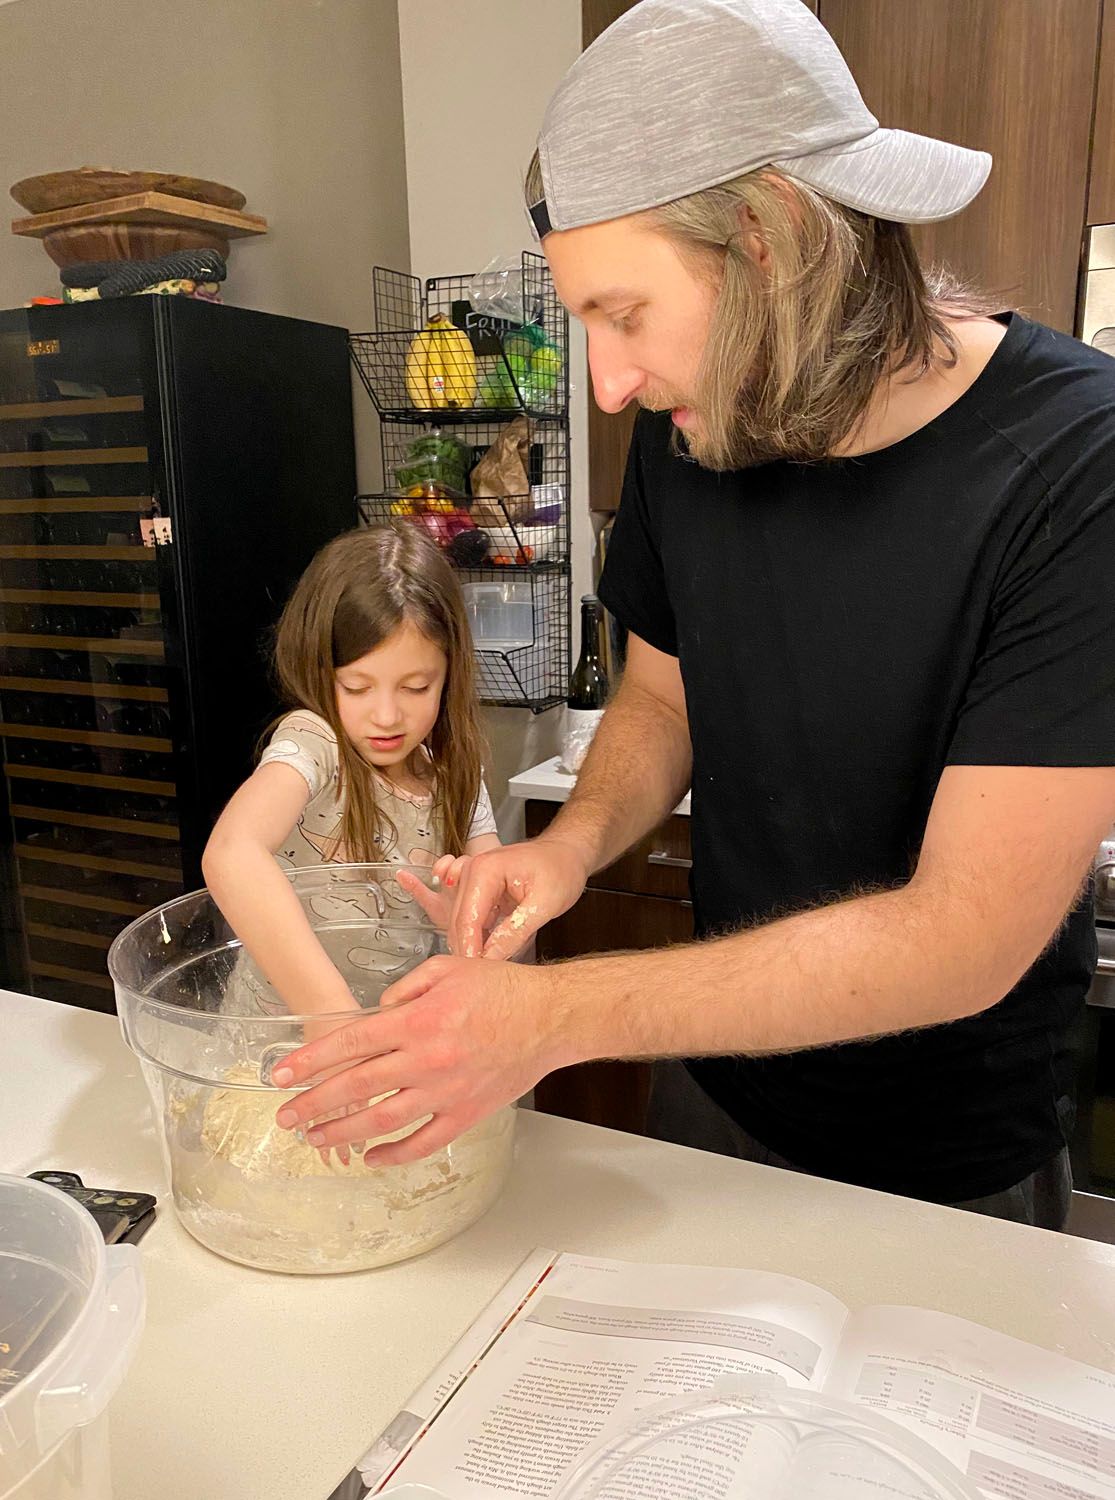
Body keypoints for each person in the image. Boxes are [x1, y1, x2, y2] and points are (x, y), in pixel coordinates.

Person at [266, 0, 1115, 1223]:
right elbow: (661, 700)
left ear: (769, 239)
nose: (607, 385)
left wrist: (549, 1017)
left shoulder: (1077, 463)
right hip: (712, 1098)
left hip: (949, 1157)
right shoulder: (687, 429)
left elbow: (960, 936)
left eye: (622, 314)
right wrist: (563, 850)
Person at [202, 522, 500, 1048]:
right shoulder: (315, 746)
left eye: (416, 686)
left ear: (449, 673)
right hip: (275, 1049)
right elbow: (232, 852)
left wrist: (472, 922)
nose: (387, 716)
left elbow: (503, 923)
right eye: (356, 687)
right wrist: (328, 1013)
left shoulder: (458, 772)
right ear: (320, 669)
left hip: (395, 1042)